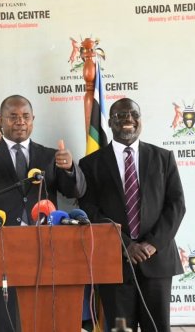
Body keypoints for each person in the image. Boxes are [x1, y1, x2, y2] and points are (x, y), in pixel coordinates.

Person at [0, 94, 86, 332]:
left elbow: (75, 191)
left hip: (44, 248)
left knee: (44, 317)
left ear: (33, 120)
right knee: (4, 318)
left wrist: (70, 169)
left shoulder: (48, 156)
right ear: (1, 121)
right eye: (13, 117)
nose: (20, 122)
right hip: (0, 248)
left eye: (25, 116)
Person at [78, 98, 186, 332]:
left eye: (133, 114)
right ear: (109, 122)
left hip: (156, 261)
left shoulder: (163, 157)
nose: (128, 119)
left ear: (140, 120)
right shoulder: (90, 164)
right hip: (114, 261)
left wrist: (152, 244)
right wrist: (125, 244)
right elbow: (90, 209)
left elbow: (176, 205)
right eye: (120, 115)